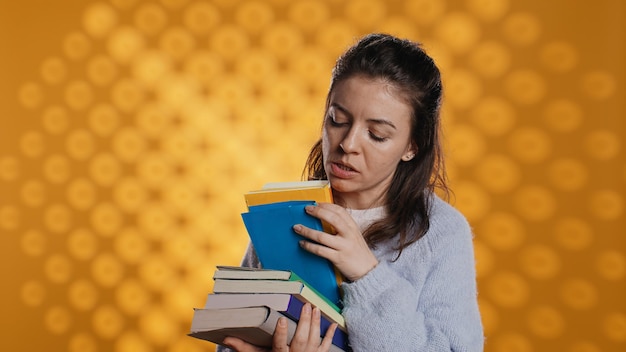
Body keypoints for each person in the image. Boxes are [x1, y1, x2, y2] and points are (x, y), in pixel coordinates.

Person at [217, 33, 484, 352]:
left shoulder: (439, 233)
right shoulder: (285, 211)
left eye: (377, 135)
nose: (348, 144)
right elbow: (235, 338)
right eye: (337, 120)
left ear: (412, 146)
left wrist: (366, 274)